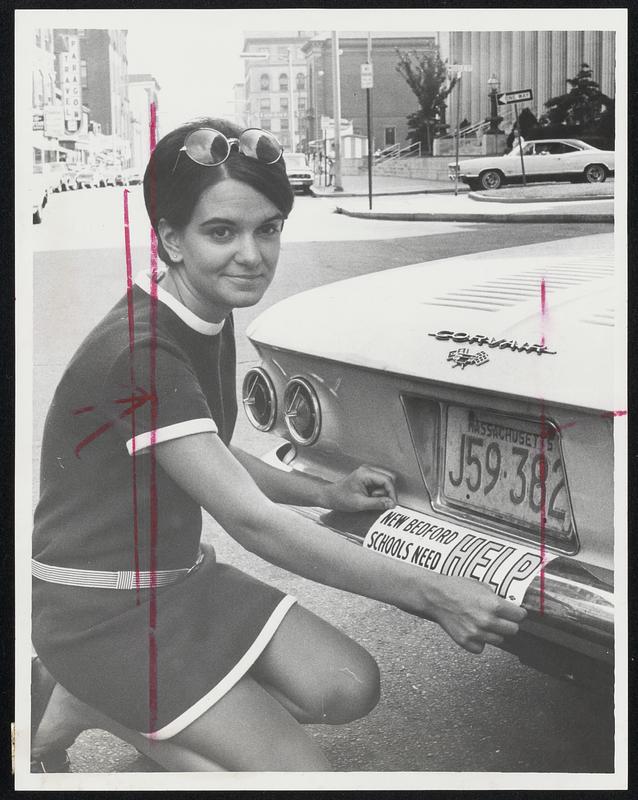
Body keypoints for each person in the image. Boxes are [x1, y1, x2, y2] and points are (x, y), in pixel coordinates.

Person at [31, 117, 526, 773]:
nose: (251, 254)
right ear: (170, 239)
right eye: (221, 232)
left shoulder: (202, 310)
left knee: (349, 684)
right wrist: (432, 592)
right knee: (303, 780)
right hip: (99, 611)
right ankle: (82, 700)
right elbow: (251, 521)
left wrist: (324, 490)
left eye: (267, 228)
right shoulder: (141, 353)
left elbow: (203, 457)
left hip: (178, 583)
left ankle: (139, 703)